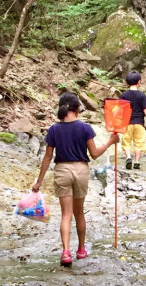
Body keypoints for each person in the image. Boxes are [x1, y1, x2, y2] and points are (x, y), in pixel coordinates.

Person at [32, 93, 118, 267]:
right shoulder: (85, 128)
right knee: (79, 212)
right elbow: (94, 154)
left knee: (65, 215)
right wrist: (110, 142)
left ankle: (65, 252)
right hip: (81, 170)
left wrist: (39, 182)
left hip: (62, 170)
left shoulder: (54, 129)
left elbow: (47, 157)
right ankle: (81, 249)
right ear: (77, 109)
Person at [118, 70, 146, 170]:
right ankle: (137, 161)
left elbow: (119, 110)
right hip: (139, 123)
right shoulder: (142, 95)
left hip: (127, 123)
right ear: (139, 82)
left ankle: (128, 157)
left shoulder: (123, 95)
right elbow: (145, 108)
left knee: (126, 142)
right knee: (139, 143)